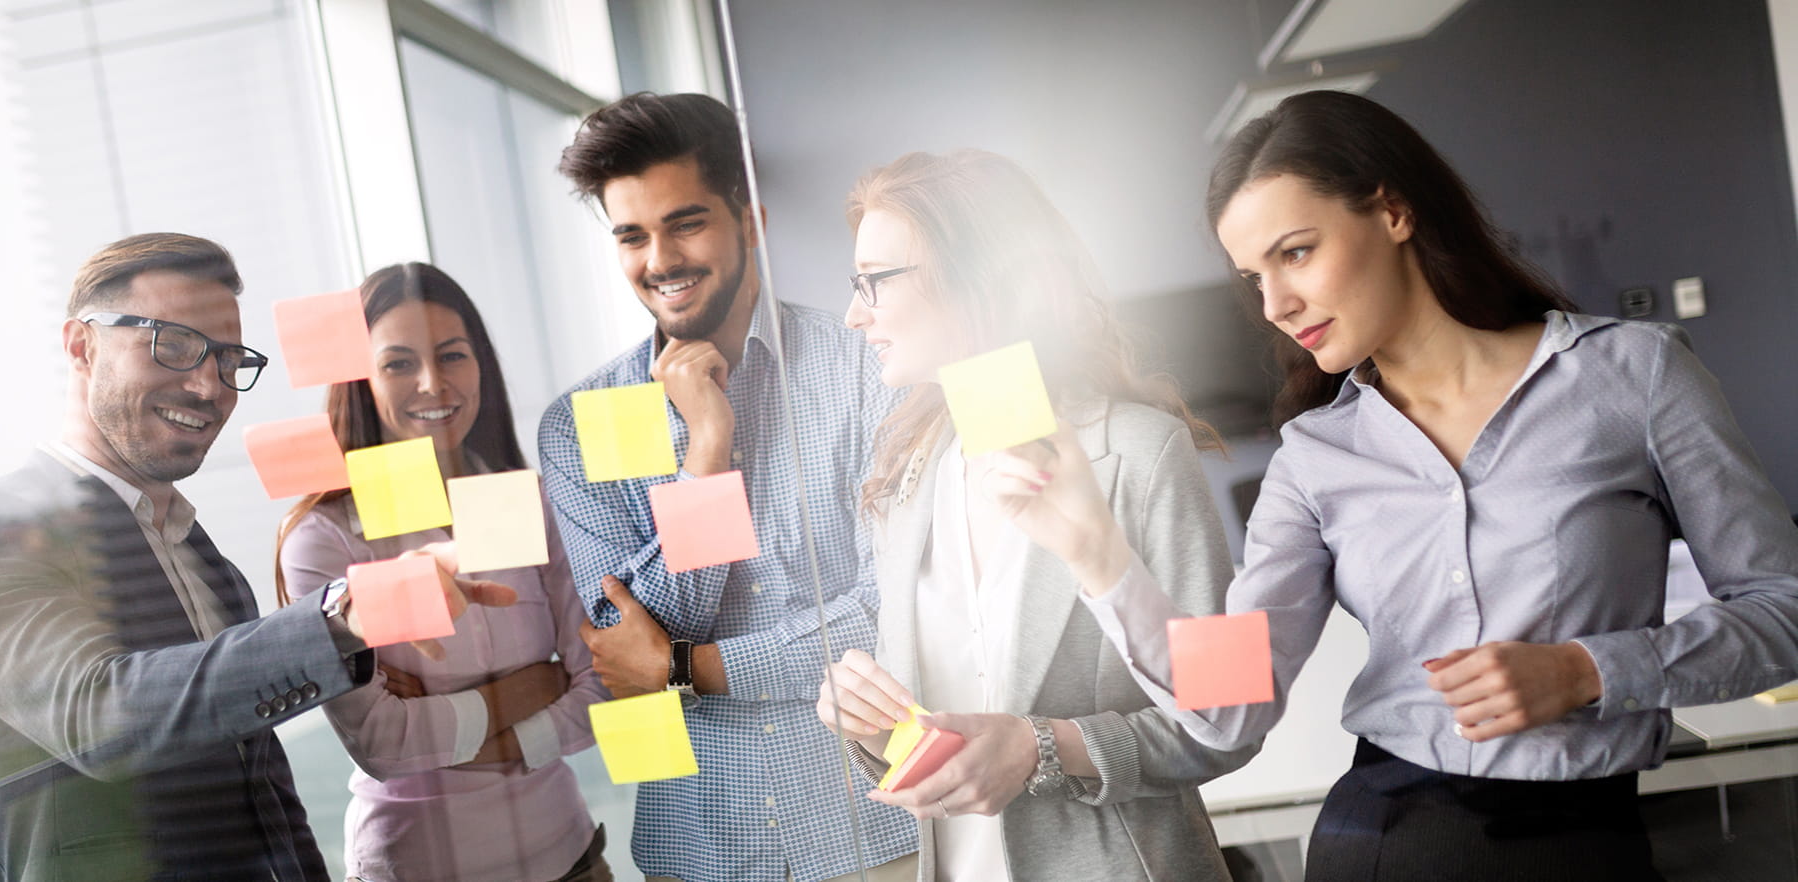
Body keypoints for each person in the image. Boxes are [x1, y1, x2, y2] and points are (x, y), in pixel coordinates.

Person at [1067, 90, 1798, 880]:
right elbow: (1232, 700)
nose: (1275, 305)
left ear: (1394, 211)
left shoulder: (1634, 376)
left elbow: (1781, 608)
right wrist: (1097, 554)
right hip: (1381, 838)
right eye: (1254, 277)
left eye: (1297, 252)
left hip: (1585, 838)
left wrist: (1587, 670)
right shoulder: (1315, 456)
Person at [0, 234, 510, 881]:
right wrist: (340, 617)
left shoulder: (205, 558)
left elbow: (266, 796)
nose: (208, 385)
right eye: (172, 345)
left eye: (229, 360)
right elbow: (97, 718)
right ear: (82, 346)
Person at [811, 149, 1255, 881]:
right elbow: (939, 738)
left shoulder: (1144, 455)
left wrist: (1041, 747)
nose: (855, 314)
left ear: (975, 278)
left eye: (875, 283)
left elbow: (1228, 723)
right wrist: (870, 724)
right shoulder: (903, 479)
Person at [540, 92, 917, 882]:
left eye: (686, 223)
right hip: (701, 851)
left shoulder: (864, 370)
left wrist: (689, 668)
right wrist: (706, 458)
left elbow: (892, 615)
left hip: (880, 831)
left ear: (752, 222)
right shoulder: (581, 425)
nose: (660, 260)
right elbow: (627, 656)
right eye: (632, 236)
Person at [276, 262, 611, 882]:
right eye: (399, 363)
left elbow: (600, 690)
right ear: (360, 377)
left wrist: (451, 729)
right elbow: (385, 744)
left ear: (480, 363)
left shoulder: (527, 499)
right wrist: (529, 687)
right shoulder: (322, 539)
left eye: (452, 355)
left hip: (570, 857)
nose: (433, 383)